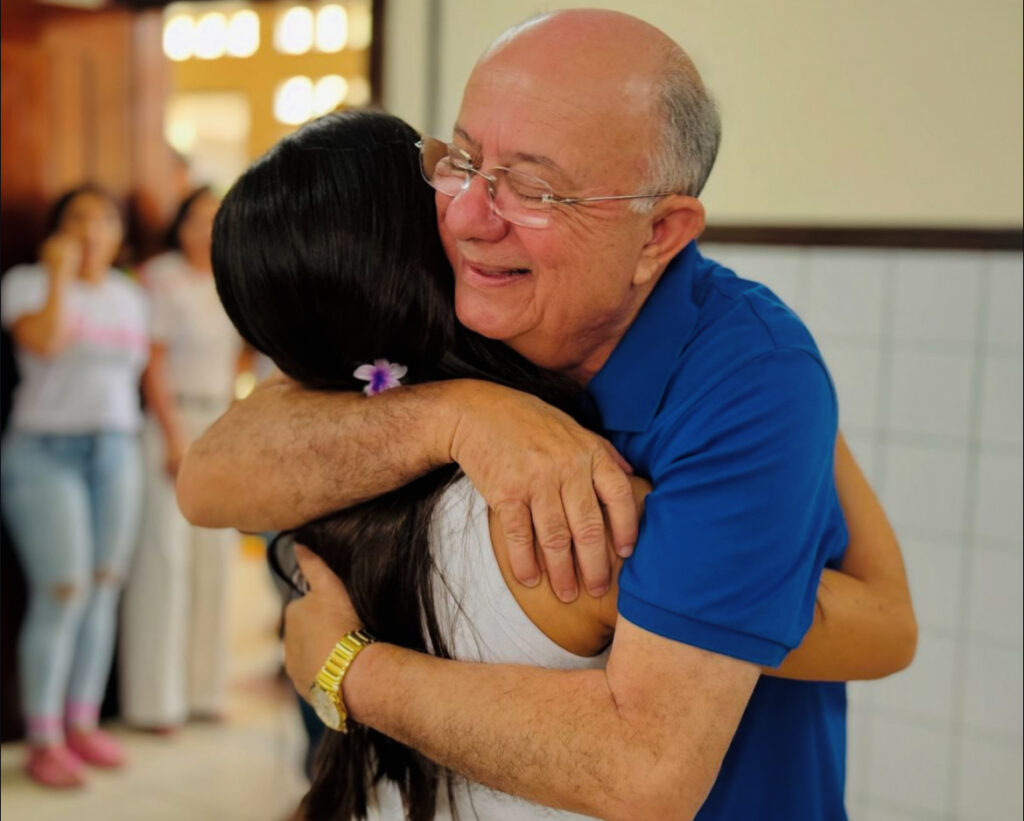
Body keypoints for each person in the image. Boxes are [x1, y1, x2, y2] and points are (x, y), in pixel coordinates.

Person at [180, 11, 917, 820]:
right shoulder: (458, 324)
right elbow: (210, 478)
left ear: (658, 233)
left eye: (534, 187)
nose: (467, 216)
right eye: (461, 160)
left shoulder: (736, 378)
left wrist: (345, 670)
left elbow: (654, 762)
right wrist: (458, 416)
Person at [0, 184, 148, 788]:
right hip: (44, 452)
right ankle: (43, 736)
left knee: (104, 586)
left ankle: (82, 722)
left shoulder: (129, 296)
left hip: (116, 448)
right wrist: (61, 276)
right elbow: (47, 340)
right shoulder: (27, 284)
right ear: (58, 231)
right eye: (79, 218)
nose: (93, 229)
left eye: (105, 218)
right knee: (61, 590)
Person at [119, 187, 246, 730]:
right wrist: (174, 437)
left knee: (213, 560)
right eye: (195, 217)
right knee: (165, 562)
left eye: (215, 219)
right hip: (171, 423)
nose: (204, 229)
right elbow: (151, 364)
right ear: (180, 223)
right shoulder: (160, 277)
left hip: (220, 420)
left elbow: (244, 352)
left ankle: (204, 691)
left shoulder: (234, 279)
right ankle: (155, 701)